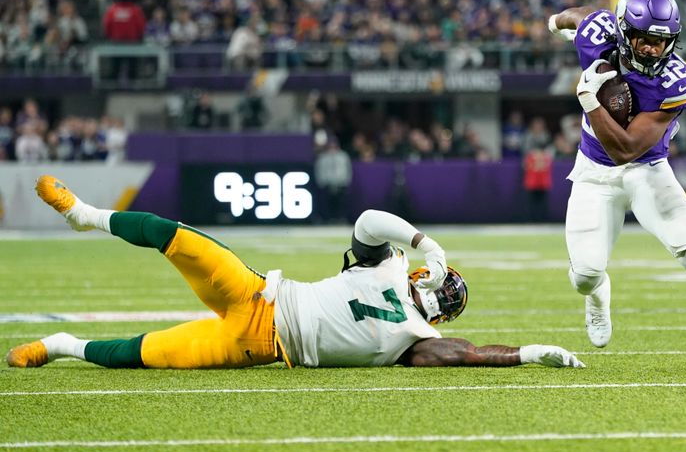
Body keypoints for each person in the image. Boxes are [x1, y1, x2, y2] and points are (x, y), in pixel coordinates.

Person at [6, 176, 584, 370]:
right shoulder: (390, 265)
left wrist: (532, 353)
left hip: (254, 346)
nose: (437, 298)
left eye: (445, 296)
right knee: (175, 236)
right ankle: (87, 216)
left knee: (144, 354)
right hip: (260, 295)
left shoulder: (420, 342)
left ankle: (61, 344)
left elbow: (469, 354)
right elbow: (366, 218)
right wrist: (423, 242)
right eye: (440, 283)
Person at [548, 0, 686, 374]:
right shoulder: (598, 33)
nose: (652, 48)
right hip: (594, 174)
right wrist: (556, 22)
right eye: (643, 38)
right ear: (621, 31)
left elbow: (627, 149)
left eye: (661, 40)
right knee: (584, 275)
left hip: (646, 169)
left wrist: (589, 100)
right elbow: (580, 15)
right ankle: (597, 294)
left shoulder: (677, 81)